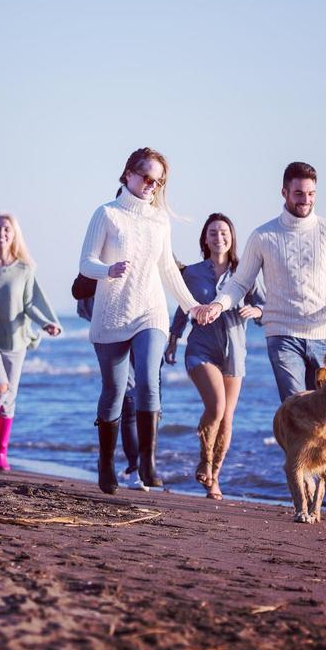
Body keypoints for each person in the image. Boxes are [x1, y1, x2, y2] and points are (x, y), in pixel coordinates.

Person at [78, 147, 220, 494]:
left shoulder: (159, 220)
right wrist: (107, 270)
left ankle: (147, 460)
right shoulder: (106, 214)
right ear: (128, 174)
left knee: (147, 382)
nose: (152, 186)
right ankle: (107, 463)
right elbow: (86, 263)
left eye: (159, 182)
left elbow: (168, 269)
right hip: (111, 314)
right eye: (147, 178)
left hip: (149, 311)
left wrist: (192, 306)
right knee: (113, 392)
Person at [212, 162, 326, 403]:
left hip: (324, 337)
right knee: (297, 407)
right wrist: (219, 305)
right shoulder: (263, 236)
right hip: (283, 335)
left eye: (311, 194)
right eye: (299, 193)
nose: (306, 200)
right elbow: (240, 282)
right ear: (284, 193)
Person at [165, 213, 264, 500]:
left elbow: (265, 308)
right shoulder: (192, 273)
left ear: (232, 238)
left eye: (224, 233)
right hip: (200, 348)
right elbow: (183, 308)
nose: (218, 237)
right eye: (212, 233)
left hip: (234, 351)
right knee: (217, 407)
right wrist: (173, 339)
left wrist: (255, 311)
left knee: (228, 418)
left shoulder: (245, 274)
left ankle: (215, 479)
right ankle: (204, 459)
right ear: (204, 239)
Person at [0, 214, 61, 472]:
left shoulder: (25, 269)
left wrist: (45, 323)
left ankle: (1, 453)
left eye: (6, 229)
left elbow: (29, 304)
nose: (1, 233)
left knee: (9, 399)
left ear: (14, 233)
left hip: (16, 342)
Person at [76, 289, 142, 487]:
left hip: (144, 319)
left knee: (145, 393)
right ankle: (131, 468)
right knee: (127, 398)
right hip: (112, 324)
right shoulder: (103, 261)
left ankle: (139, 465)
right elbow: (81, 289)